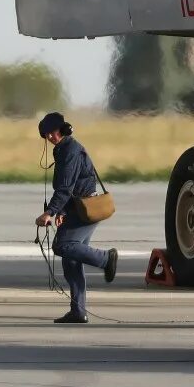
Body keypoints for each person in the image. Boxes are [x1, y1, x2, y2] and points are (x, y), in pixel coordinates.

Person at [34, 112, 117, 324]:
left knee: (62, 245)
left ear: (63, 129)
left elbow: (65, 187)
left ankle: (106, 258)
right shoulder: (62, 149)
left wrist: (50, 212)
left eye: (52, 132)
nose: (50, 137)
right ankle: (78, 311)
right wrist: (61, 212)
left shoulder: (70, 150)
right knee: (71, 261)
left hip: (84, 209)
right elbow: (71, 187)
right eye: (46, 135)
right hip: (75, 208)